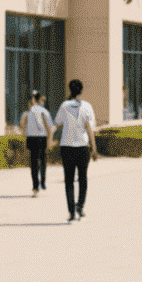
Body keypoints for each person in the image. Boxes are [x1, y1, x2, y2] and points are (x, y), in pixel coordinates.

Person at [52, 78, 99, 221]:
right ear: (81, 90)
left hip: (67, 147)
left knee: (69, 180)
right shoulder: (87, 106)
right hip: (83, 148)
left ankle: (71, 211)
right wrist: (94, 147)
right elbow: (89, 128)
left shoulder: (64, 106)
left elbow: (57, 124)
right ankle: (80, 206)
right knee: (83, 179)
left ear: (70, 90)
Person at [20, 90, 53, 196]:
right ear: (39, 100)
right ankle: (42, 181)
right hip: (42, 138)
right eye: (42, 100)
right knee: (43, 160)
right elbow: (50, 127)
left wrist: (24, 134)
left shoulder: (28, 112)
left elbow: (22, 125)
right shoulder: (44, 111)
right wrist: (50, 140)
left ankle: (35, 187)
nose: (43, 102)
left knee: (34, 163)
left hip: (31, 138)